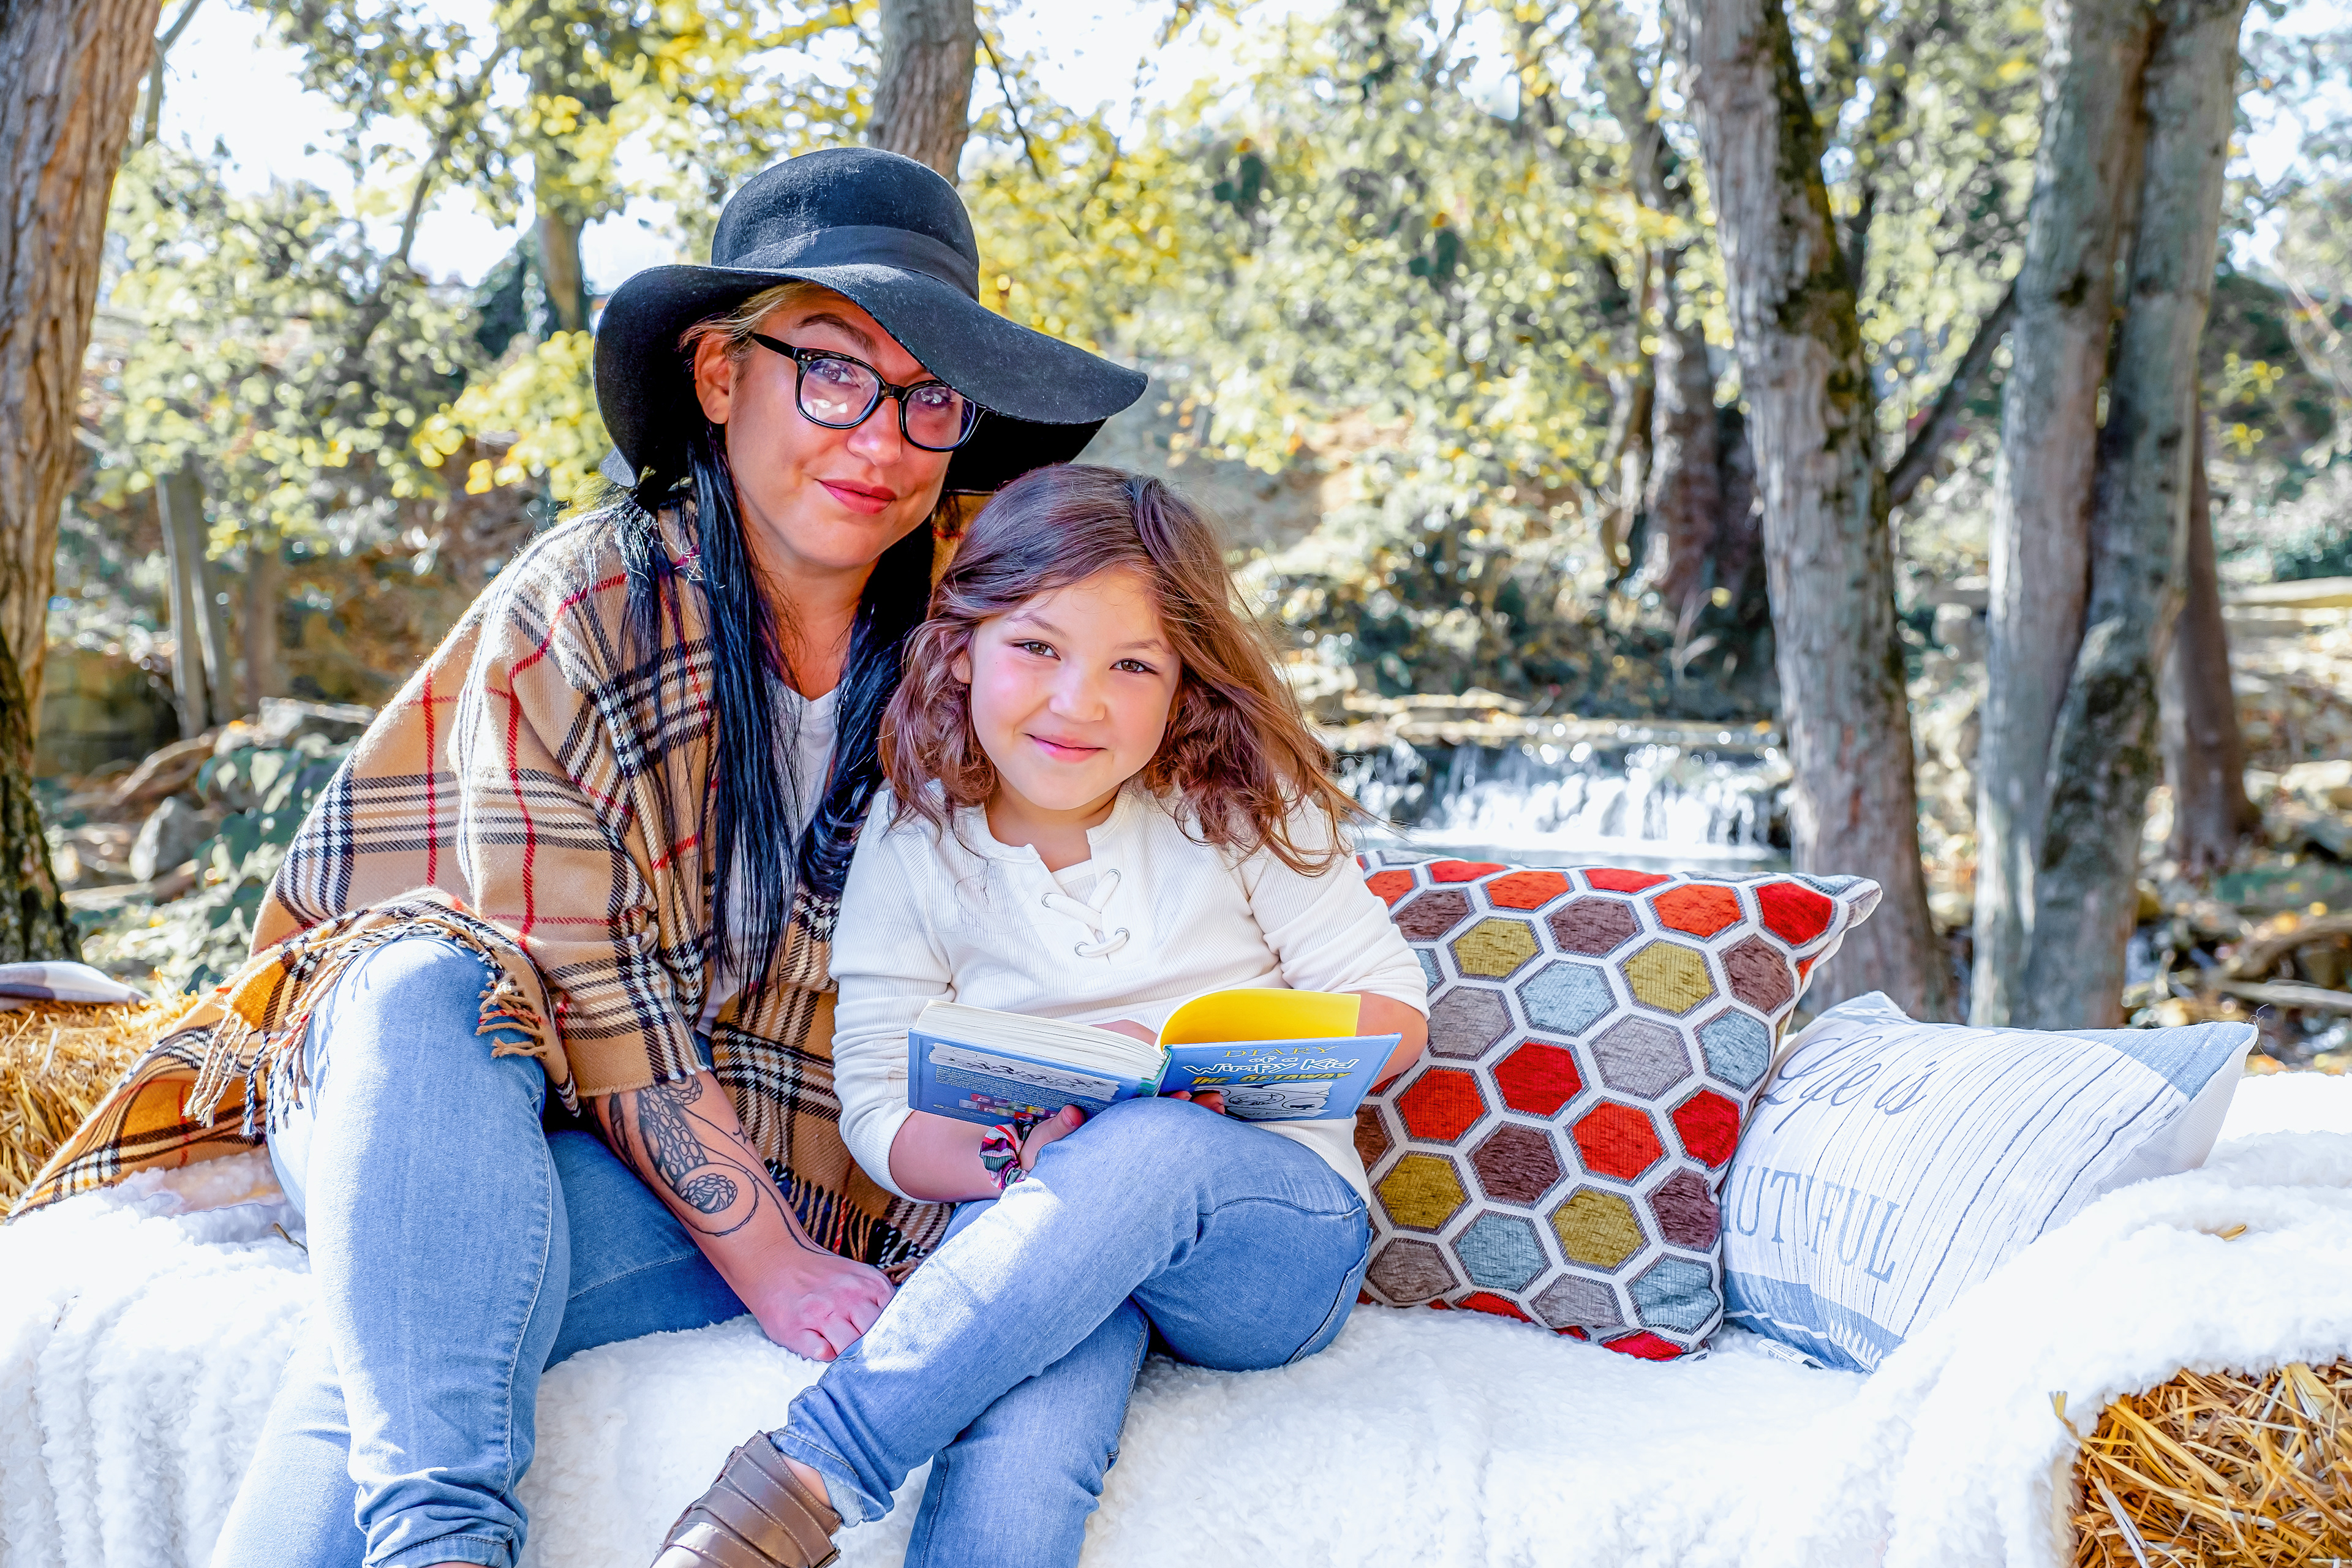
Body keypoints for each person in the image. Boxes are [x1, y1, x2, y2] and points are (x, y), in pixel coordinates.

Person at [20, 147, 1144, 1568]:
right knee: (426, 984)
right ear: (720, 376)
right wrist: (771, 1262)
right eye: (833, 372)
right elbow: (579, 978)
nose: (882, 439)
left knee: (421, 1319)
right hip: (430, 1080)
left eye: (930, 398)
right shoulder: (587, 600)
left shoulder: (980, 643)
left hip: (716, 1144)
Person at [651, 465, 1431, 1568]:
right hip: (1047, 1228)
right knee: (1022, 1431)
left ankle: (805, 1475)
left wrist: (1225, 1057)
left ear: (1184, 684)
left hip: (1272, 1247)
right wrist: (1003, 1157)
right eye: (1037, 648)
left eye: (1133, 666)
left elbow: (1396, 1014)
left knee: (1151, 1141)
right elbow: (876, 1108)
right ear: (962, 648)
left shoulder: (1237, 802)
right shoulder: (913, 843)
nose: (1080, 702)